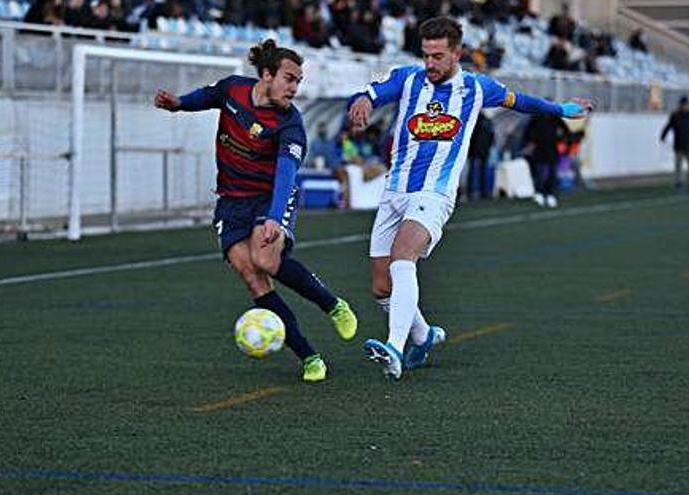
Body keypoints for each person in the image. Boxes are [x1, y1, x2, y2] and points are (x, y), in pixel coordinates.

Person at [347, 16, 591, 380]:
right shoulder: (407, 78)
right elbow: (369, 92)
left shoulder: (478, 88)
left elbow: (520, 101)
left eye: (438, 56)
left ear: (457, 53)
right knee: (382, 286)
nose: (430, 63)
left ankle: (395, 348)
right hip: (395, 190)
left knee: (403, 257)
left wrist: (561, 110)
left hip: (435, 192)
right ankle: (422, 334)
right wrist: (362, 102)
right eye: (426, 55)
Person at [154, 40, 358, 383]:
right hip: (231, 201)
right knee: (252, 276)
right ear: (266, 75)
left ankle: (332, 304)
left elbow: (286, 174)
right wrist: (177, 104)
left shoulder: (290, 123)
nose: (294, 88)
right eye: (289, 79)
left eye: (298, 81)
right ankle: (309, 357)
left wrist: (275, 218)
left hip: (270, 198)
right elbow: (202, 98)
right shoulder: (232, 89)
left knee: (264, 259)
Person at [524, 108, 568, 208]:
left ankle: (550, 194)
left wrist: (561, 140)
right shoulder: (536, 117)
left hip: (552, 150)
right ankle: (539, 193)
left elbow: (565, 131)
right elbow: (528, 132)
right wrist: (529, 143)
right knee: (539, 174)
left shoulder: (555, 118)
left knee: (552, 174)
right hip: (539, 150)